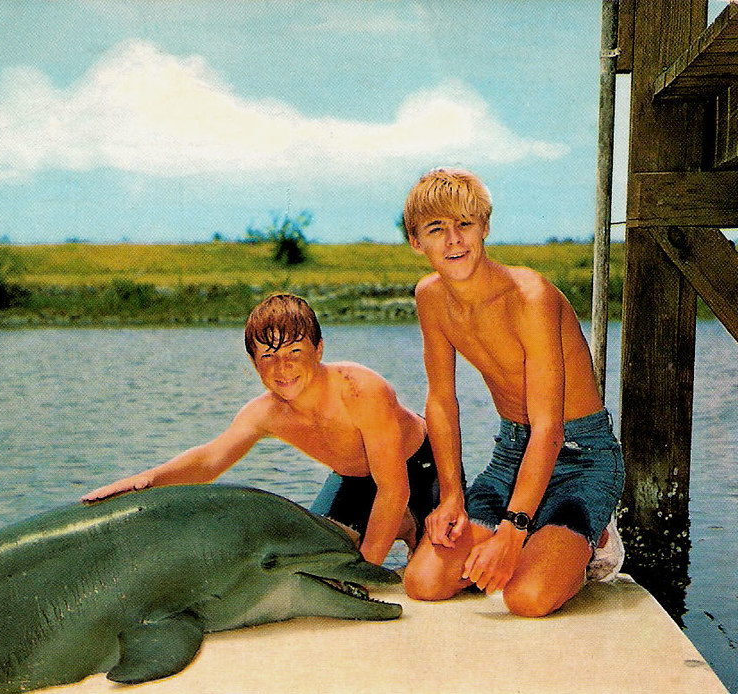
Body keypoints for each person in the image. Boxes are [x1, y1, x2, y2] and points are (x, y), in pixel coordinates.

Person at [399, 167, 625, 617]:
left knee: (526, 598)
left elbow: (549, 428)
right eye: (436, 229)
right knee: (423, 582)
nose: (453, 240)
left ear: (484, 227)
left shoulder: (530, 297)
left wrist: (512, 531)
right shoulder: (430, 297)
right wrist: (452, 496)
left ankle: (594, 541)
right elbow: (441, 402)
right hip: (511, 456)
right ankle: (541, 535)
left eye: (464, 224)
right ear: (416, 241)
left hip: (580, 455)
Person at [82, 293, 439, 565]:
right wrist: (146, 480)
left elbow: (394, 489)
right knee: (310, 559)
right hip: (355, 479)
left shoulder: (360, 390)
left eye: (294, 351)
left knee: (429, 574)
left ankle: (410, 527)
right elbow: (209, 461)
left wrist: (365, 571)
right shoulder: (265, 413)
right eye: (268, 355)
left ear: (318, 349)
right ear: (254, 363)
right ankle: (401, 525)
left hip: (420, 468)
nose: (283, 367)